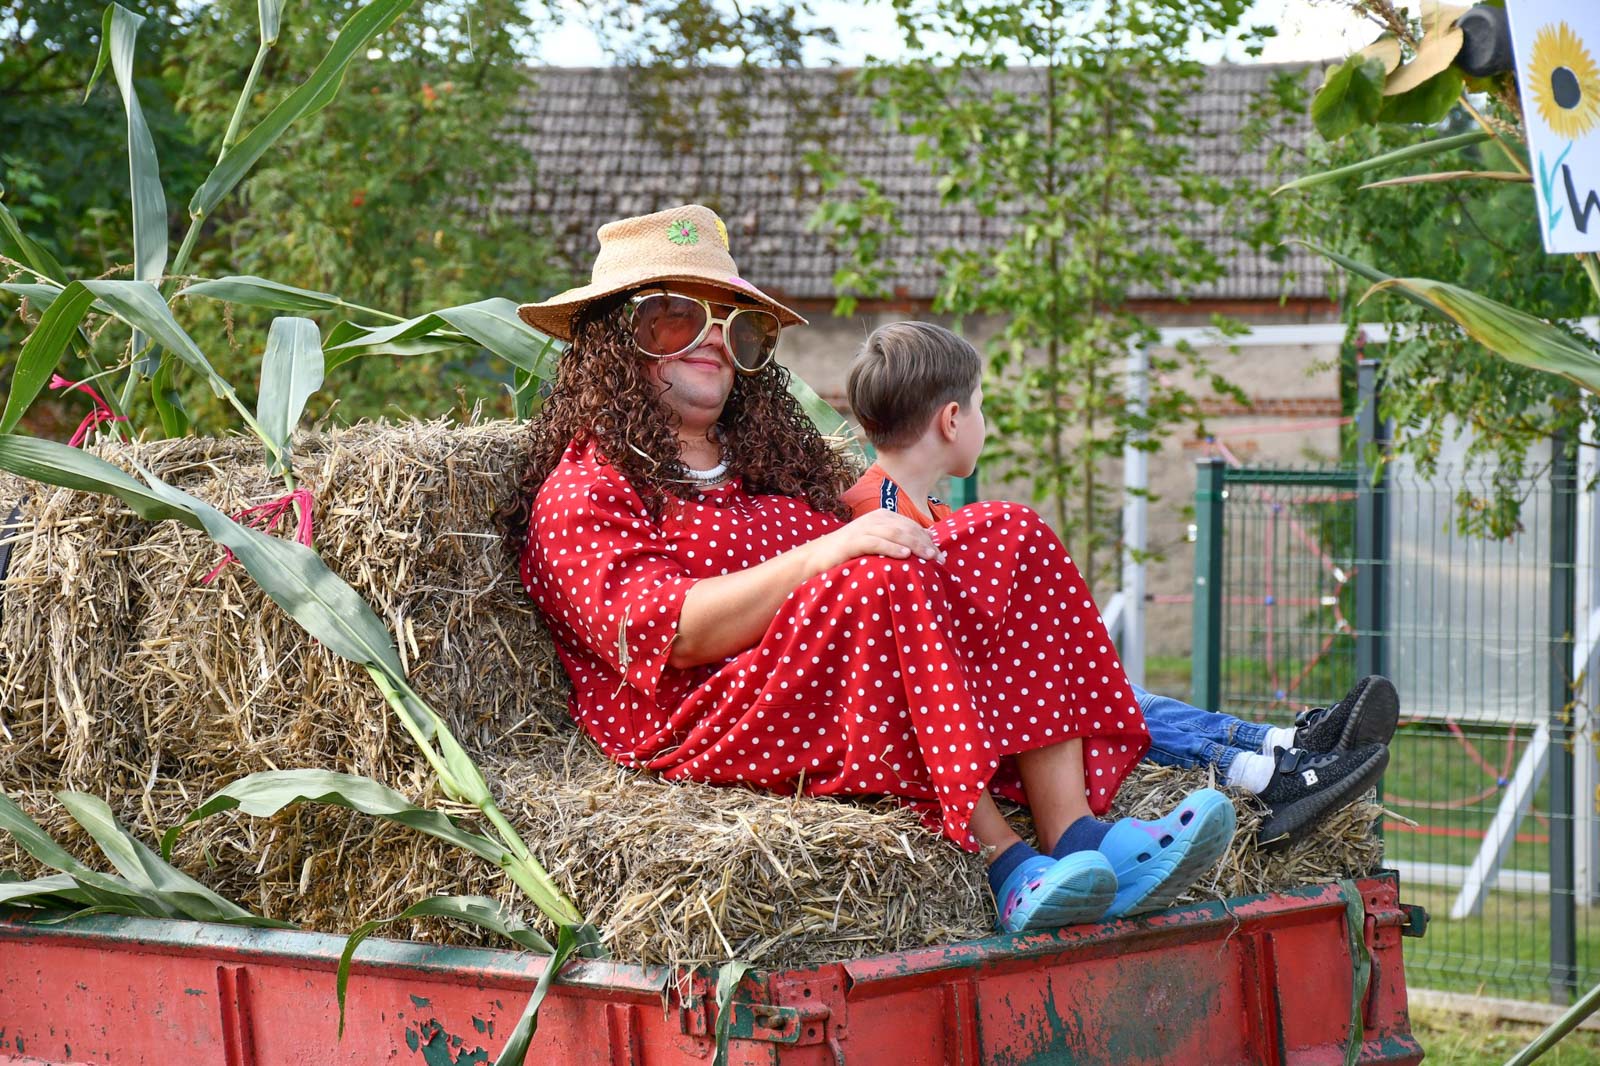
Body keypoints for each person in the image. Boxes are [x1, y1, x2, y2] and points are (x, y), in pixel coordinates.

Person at [501, 204, 1236, 934]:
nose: (714, 340)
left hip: (821, 668)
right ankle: (1005, 862)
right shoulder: (586, 490)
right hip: (706, 715)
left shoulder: (768, 462)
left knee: (1007, 532)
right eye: (676, 319)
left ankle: (1074, 834)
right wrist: (828, 553)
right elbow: (672, 633)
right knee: (880, 576)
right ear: (613, 338)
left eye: (738, 326)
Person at [841, 321, 1396, 848]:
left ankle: (1279, 746)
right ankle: (1258, 774)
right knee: (1101, 699)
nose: (985, 421)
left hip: (988, 698)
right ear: (952, 420)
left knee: (1121, 694)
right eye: (981, 406)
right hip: (971, 719)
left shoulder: (920, 510)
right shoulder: (878, 518)